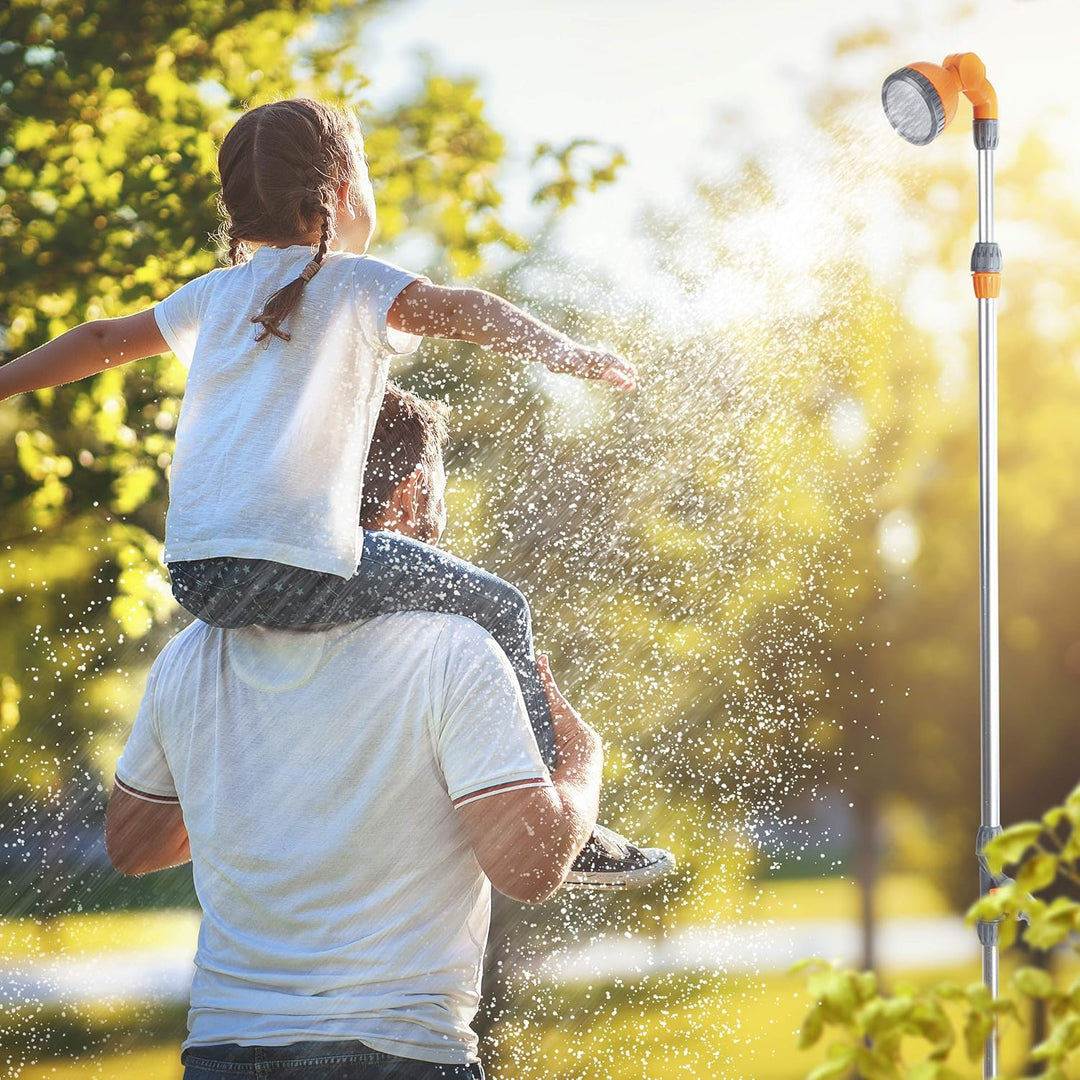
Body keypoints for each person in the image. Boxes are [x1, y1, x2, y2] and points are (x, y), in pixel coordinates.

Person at [0, 97, 654, 883]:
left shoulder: (213, 295)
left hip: (199, 578)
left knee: (379, 579)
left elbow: (102, 341)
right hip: (299, 567)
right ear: (342, 192)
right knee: (500, 605)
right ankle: (557, 811)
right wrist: (567, 352)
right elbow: (470, 310)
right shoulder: (355, 285)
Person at [105, 385, 669, 1079]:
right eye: (435, 494)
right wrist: (580, 767)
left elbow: (132, 846)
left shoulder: (193, 653)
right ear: (405, 497)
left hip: (224, 1052)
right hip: (392, 1053)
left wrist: (271, 785)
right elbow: (530, 867)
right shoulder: (454, 649)